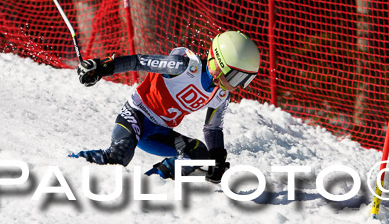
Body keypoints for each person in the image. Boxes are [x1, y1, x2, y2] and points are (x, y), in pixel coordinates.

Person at [70, 30, 260, 183]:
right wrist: (102, 67)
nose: (238, 86)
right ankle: (71, 162)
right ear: (218, 65)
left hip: (158, 132)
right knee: (119, 157)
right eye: (237, 77)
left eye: (245, 80)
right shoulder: (183, 67)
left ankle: (153, 182)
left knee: (199, 153)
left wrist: (217, 159)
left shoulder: (220, 94)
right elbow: (139, 62)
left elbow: (213, 128)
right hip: (136, 115)